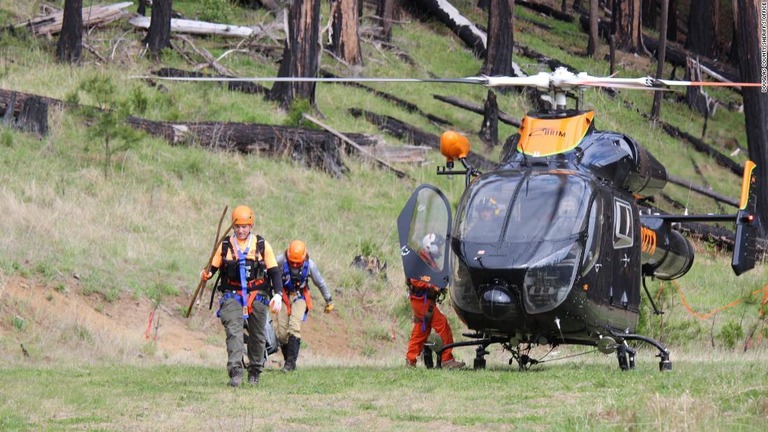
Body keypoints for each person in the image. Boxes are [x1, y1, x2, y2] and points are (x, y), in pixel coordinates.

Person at [200, 205, 283, 387]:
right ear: (232, 226)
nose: (241, 230)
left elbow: (274, 272)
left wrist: (278, 294)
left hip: (258, 295)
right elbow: (212, 269)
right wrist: (206, 274)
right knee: (234, 332)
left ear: (251, 226)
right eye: (237, 226)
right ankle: (236, 372)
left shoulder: (261, 245)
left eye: (245, 226)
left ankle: (254, 370)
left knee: (258, 335)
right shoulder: (225, 246)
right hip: (232, 294)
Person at [406, 233, 465, 369]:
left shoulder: (427, 260)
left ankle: (410, 360)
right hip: (422, 302)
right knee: (442, 326)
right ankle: (447, 360)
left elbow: (435, 276)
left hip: (423, 302)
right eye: (438, 246)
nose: (440, 249)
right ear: (430, 246)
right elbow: (416, 280)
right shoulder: (419, 261)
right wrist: (432, 285)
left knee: (421, 332)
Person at [274, 240, 334, 372]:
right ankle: (288, 361)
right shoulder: (280, 260)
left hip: (299, 297)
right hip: (283, 296)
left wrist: (328, 299)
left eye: (298, 263)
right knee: (282, 333)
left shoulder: (310, 265)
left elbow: (320, 282)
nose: (295, 265)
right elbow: (269, 272)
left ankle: (290, 364)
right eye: (292, 262)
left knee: (294, 327)